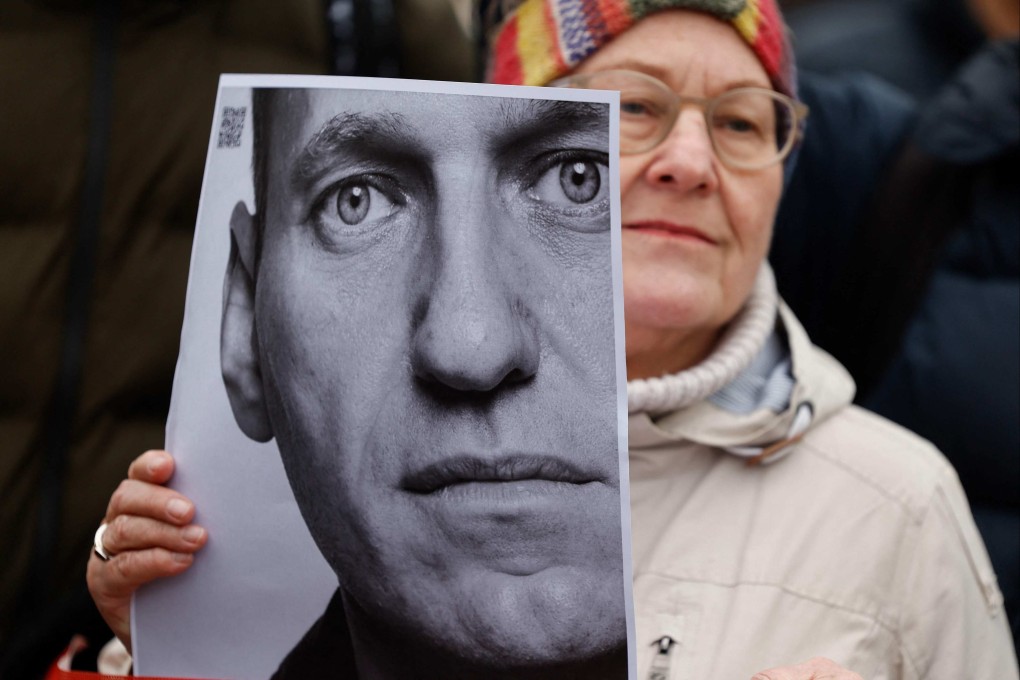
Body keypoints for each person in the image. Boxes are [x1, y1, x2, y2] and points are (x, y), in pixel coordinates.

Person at [88, 0, 1020, 678]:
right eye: (624, 118)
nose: (691, 162)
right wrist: (160, 651)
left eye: (742, 121)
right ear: (248, 322)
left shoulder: (896, 509)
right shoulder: (248, 556)